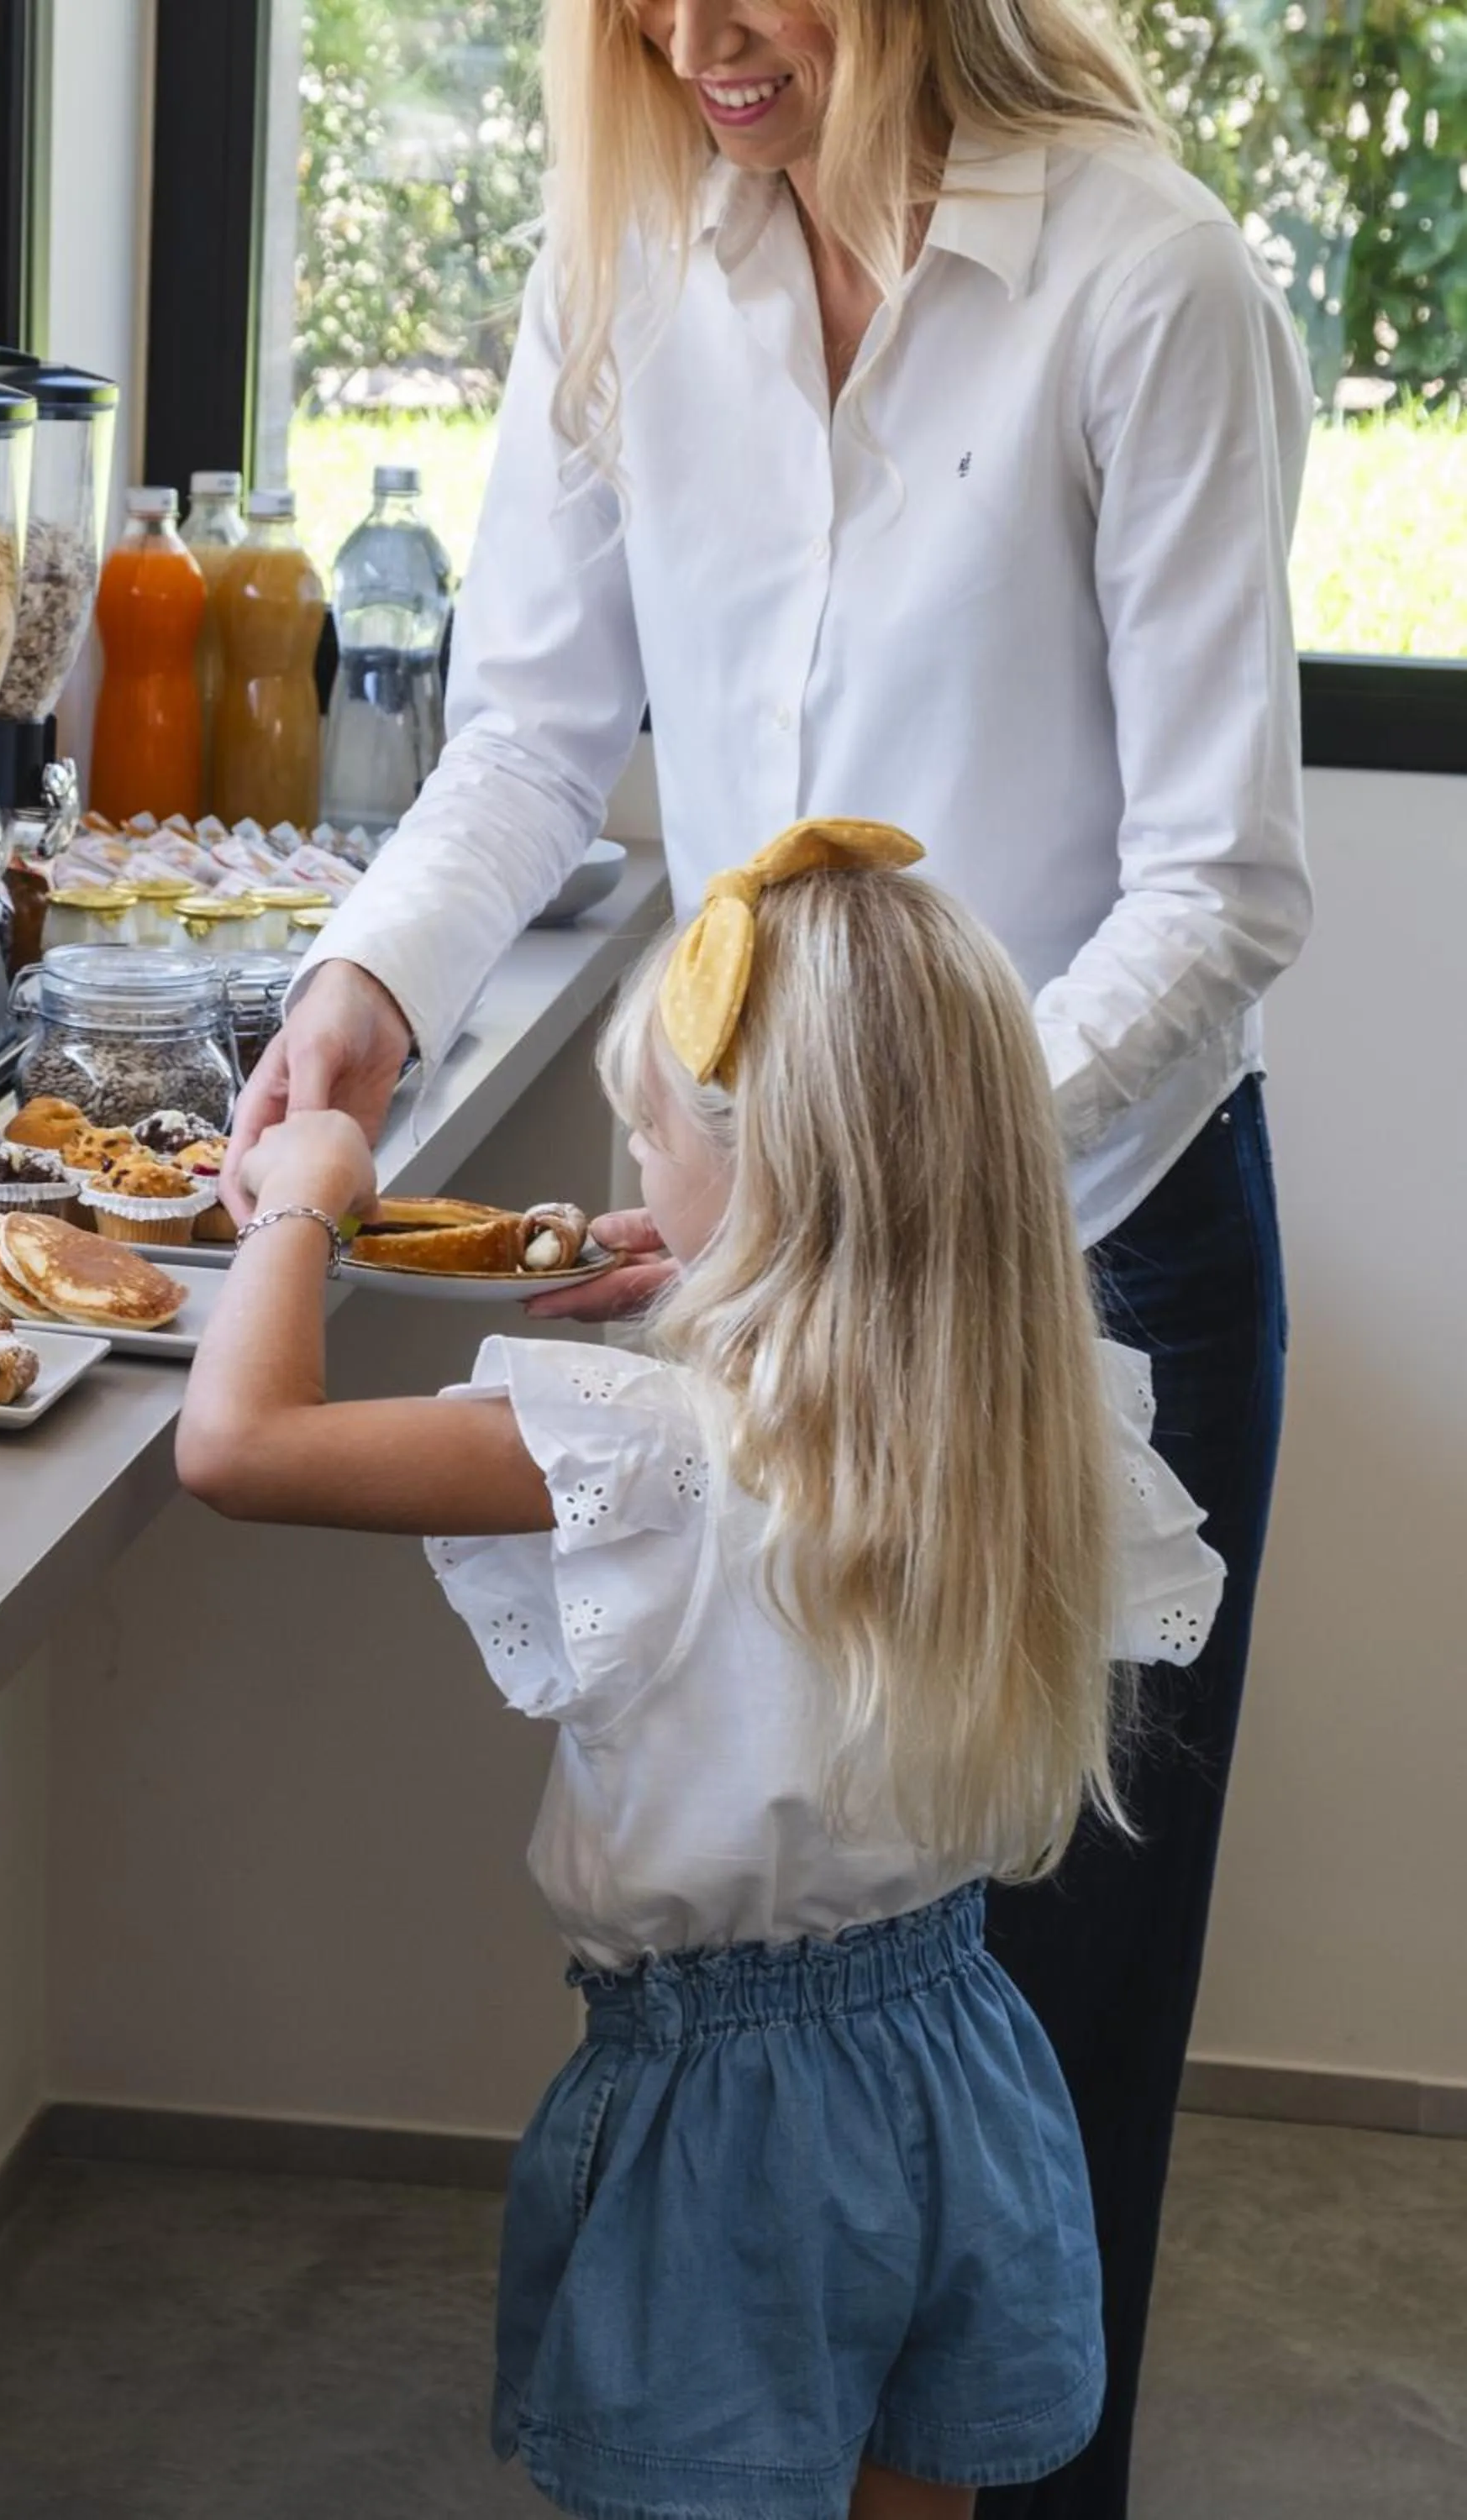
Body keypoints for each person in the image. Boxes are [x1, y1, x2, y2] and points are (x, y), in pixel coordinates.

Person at [224, 8, 1308, 2509]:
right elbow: (521, 739)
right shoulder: (621, 268)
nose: (701, 37)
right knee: (784, 2023)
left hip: (1089, 1258)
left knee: (1035, 2058)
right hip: (772, 1243)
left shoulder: (1145, 282)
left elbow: (1219, 888)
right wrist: (365, 985)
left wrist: (878, 1184)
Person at [184, 824, 1224, 2520]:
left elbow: (238, 1445)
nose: (634, 1161)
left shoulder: (654, 1455)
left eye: (650, 1132)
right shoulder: (1039, 1416)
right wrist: (728, 1283)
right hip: (960, 2063)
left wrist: (303, 1190)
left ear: (759, 1180)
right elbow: (853, 1331)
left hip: (727, 2134)